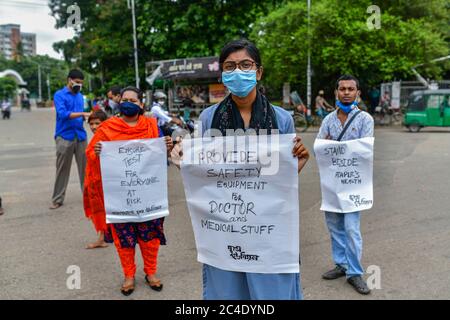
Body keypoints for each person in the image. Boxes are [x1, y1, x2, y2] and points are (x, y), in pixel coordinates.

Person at [172, 39, 310, 300]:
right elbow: (204, 174)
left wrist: (297, 162)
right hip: (224, 229)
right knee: (227, 291)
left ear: (258, 72)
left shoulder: (281, 119)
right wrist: (182, 158)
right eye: (230, 66)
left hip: (267, 228)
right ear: (223, 75)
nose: (238, 71)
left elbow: (279, 180)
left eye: (245, 65)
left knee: (272, 291)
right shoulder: (209, 118)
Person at [84, 86, 174, 296]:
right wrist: (98, 152)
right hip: (120, 198)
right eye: (125, 99)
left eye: (133, 100)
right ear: (119, 102)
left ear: (141, 105)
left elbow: (160, 156)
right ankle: (128, 275)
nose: (129, 103)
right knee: (124, 239)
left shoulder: (152, 125)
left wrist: (167, 147)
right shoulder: (107, 128)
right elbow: (91, 154)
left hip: (148, 196)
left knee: (150, 237)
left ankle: (150, 272)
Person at [317, 74, 374, 295]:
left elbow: (364, 151)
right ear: (336, 92)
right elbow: (319, 148)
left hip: (353, 184)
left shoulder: (365, 120)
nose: (347, 92)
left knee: (351, 228)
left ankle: (354, 273)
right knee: (334, 226)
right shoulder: (328, 120)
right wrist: (327, 146)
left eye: (351, 89)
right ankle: (341, 264)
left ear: (357, 93)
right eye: (343, 89)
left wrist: (334, 145)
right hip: (332, 184)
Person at [50, 69, 91, 210]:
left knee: (85, 169)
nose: (79, 85)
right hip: (64, 136)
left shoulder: (80, 96)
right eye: (77, 82)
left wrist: (87, 117)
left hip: (80, 136)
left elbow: (80, 116)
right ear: (69, 80)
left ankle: (88, 198)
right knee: (62, 169)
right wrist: (82, 113)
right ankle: (57, 199)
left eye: (81, 83)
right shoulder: (59, 95)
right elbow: (62, 114)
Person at [84, 110, 109, 249]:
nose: (93, 127)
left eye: (97, 123)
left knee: (101, 209)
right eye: (91, 124)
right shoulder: (99, 136)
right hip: (95, 178)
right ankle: (104, 236)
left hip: (102, 180)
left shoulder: (105, 137)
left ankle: (102, 238)